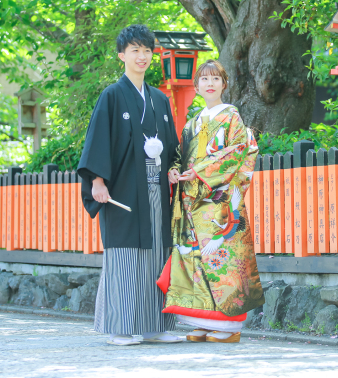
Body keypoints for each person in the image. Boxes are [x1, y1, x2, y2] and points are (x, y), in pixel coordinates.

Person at [77, 24, 183, 346]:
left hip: (155, 191)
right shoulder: (112, 96)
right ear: (122, 55)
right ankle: (120, 329)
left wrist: (174, 171)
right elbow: (97, 143)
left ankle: (155, 327)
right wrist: (97, 180)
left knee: (157, 255)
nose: (142, 56)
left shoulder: (160, 100)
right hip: (122, 190)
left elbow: (172, 147)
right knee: (125, 257)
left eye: (147, 50)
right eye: (135, 50)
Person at [160, 59, 265, 343]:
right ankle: (202, 320)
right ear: (196, 87)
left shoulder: (232, 116)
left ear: (223, 84)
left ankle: (228, 326)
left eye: (215, 79)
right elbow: (180, 155)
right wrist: (173, 170)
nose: (209, 84)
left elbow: (239, 150)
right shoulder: (192, 122)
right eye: (204, 80)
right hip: (191, 200)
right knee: (194, 260)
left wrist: (203, 171)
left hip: (218, 200)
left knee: (220, 260)